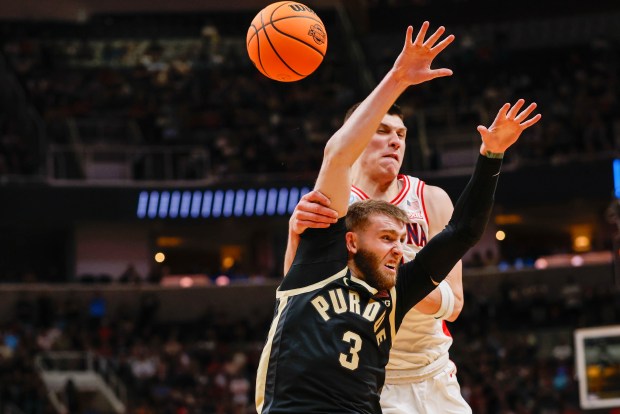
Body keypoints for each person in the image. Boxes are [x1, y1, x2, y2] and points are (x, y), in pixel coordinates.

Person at [255, 22, 541, 413]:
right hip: (367, 377)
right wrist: (294, 234)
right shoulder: (333, 206)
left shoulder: (430, 199)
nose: (395, 140)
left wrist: (398, 279)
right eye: (382, 130)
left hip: (433, 368)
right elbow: (299, 292)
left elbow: (455, 299)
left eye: (402, 134)